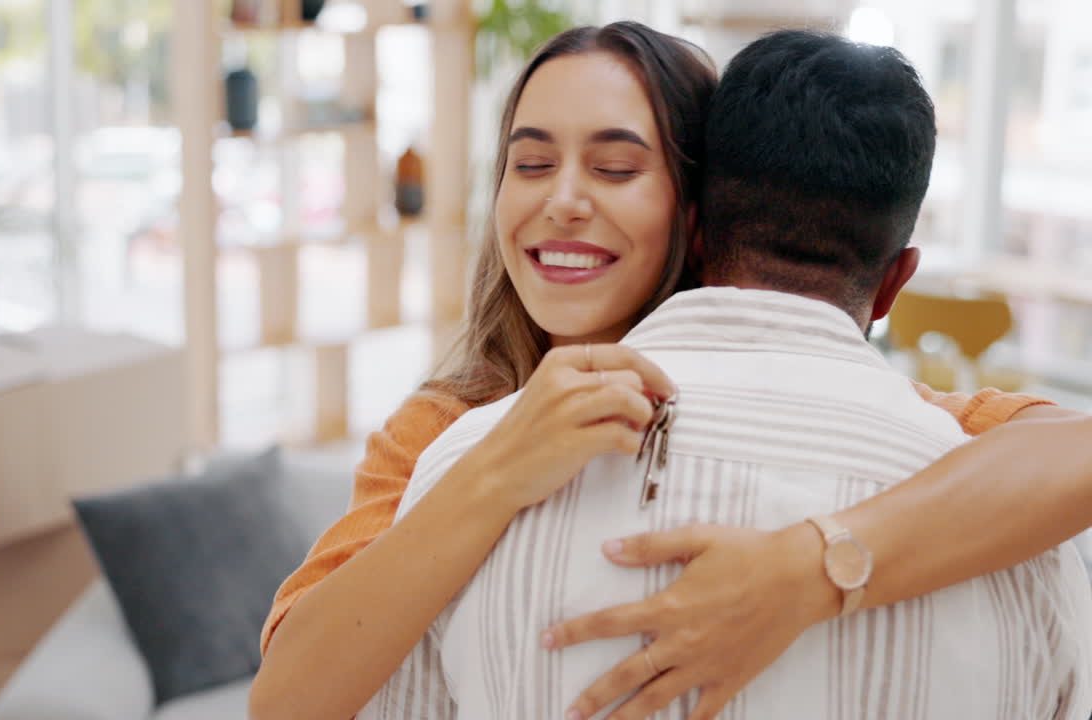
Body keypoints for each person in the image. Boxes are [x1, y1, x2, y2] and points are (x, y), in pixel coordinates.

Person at [247, 22, 1088, 720]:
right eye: (530, 163)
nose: (564, 199)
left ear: (697, 214)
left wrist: (810, 568)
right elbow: (285, 703)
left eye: (615, 168)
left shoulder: (858, 404)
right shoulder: (444, 430)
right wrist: (494, 470)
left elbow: (1072, 452)